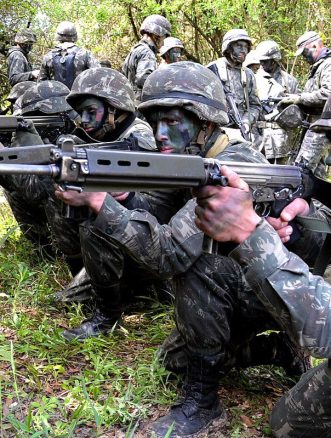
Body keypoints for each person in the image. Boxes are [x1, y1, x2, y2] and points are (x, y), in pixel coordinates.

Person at [55, 62, 310, 436]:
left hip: (278, 293)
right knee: (174, 361)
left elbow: (170, 253)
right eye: (155, 121)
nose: (160, 133)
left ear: (206, 122)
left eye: (172, 121)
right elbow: (150, 212)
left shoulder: (230, 165)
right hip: (237, 285)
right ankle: (276, 353)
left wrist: (99, 203)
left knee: (197, 261)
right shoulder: (187, 156)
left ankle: (203, 403)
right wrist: (122, 197)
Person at [279, 31, 331, 176]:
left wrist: (300, 98)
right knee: (317, 175)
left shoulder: (328, 64)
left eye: (304, 52)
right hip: (317, 126)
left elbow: (328, 94)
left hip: (322, 128)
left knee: (302, 172)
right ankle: (317, 199)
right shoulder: (319, 66)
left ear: (315, 46)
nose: (303, 57)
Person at [207, 29, 261, 143]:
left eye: (246, 47)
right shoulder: (212, 70)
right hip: (213, 131)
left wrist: (246, 122)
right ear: (228, 47)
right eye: (239, 46)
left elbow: (255, 106)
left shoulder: (248, 74)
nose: (243, 50)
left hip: (239, 133)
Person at [255, 40, 301, 163]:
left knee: (283, 175)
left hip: (282, 139)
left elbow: (298, 111)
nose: (262, 63)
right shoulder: (252, 79)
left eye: (266, 60)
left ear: (275, 59)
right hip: (260, 139)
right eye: (261, 60)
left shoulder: (289, 81)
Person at [122, 14, 171, 104]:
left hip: (129, 102)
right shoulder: (147, 52)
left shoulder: (136, 50)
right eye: (164, 37)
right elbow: (143, 79)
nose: (163, 43)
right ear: (157, 35)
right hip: (140, 106)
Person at [38, 21, 100, 89]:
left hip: (54, 98)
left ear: (58, 36)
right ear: (75, 36)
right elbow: (98, 75)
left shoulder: (48, 56)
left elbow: (41, 83)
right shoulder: (85, 54)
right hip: (79, 97)